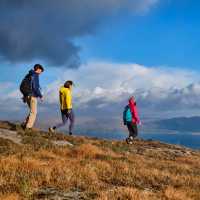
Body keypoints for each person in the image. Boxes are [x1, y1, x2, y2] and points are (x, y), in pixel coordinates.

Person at [20, 64, 44, 130]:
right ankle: (28, 127)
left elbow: (25, 85)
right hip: (32, 96)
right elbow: (35, 87)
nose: (41, 73)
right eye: (41, 71)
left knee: (32, 111)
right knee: (34, 112)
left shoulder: (29, 74)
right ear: (38, 69)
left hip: (27, 95)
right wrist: (40, 96)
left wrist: (25, 95)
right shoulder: (35, 75)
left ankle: (24, 123)